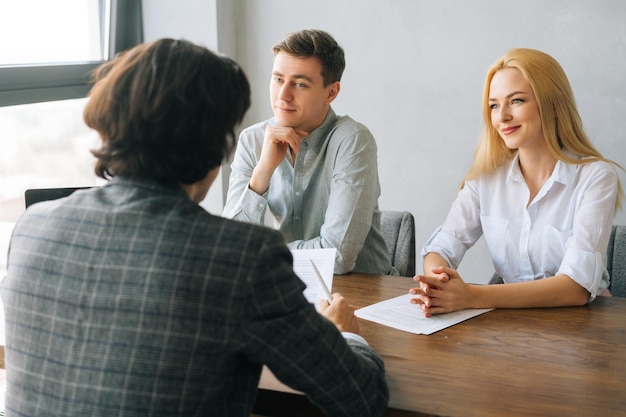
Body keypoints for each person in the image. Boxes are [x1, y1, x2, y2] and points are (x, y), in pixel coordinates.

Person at [1, 38, 388, 417]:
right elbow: (361, 396)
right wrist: (344, 334)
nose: (284, 94)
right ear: (215, 147)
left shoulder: (32, 225)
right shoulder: (240, 258)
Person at [410, 48, 623, 317]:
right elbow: (441, 247)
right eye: (494, 105)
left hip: (582, 327)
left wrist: (470, 296)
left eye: (517, 101)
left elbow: (575, 288)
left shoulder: (596, 177)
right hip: (509, 326)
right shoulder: (485, 178)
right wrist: (439, 286)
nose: (502, 117)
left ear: (554, 105)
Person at [222, 29, 393, 275]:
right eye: (278, 79)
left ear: (331, 92)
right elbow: (231, 247)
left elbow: (337, 257)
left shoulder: (353, 140)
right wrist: (263, 170)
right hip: (290, 289)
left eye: (300, 83)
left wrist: (261, 254)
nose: (283, 95)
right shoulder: (253, 140)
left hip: (359, 294)